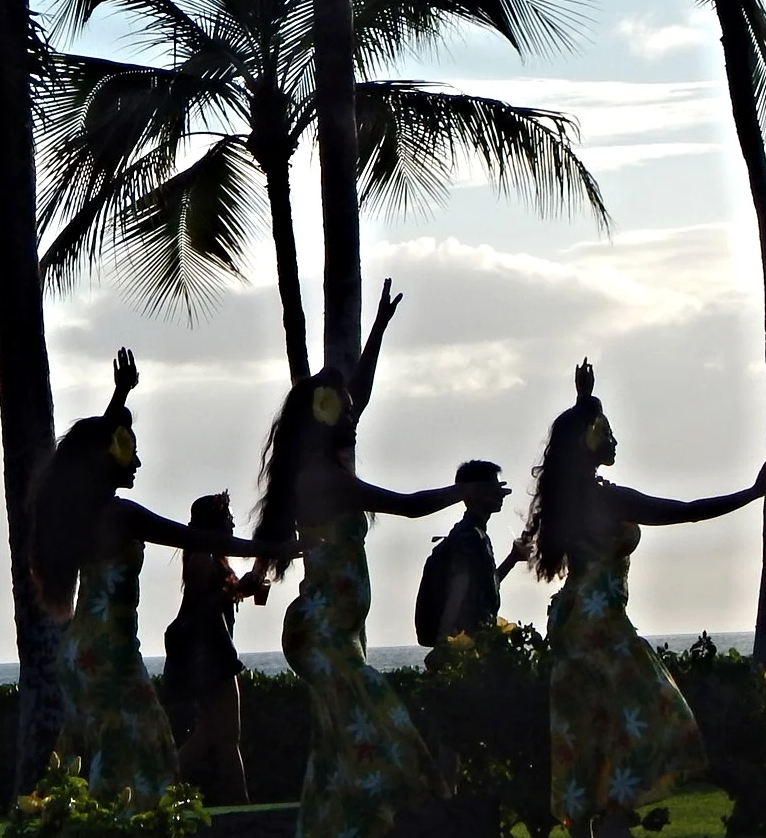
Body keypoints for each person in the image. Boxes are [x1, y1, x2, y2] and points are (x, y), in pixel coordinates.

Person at [256, 282, 501, 838]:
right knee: (383, 734)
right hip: (324, 633)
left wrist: (378, 330)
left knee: (340, 747)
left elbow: (356, 394)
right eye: (343, 411)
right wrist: (462, 492)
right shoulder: (325, 480)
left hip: (334, 631)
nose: (353, 414)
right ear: (326, 420)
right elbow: (409, 506)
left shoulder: (325, 464)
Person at [528, 360, 766, 838]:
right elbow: (686, 512)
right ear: (591, 440)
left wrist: (584, 400)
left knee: (587, 725)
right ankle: (615, 818)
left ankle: (592, 822)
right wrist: (752, 493)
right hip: (601, 622)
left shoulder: (568, 496)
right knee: (649, 713)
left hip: (575, 617)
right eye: (606, 431)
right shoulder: (607, 498)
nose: (615, 439)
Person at [26, 350, 269, 810]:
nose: (138, 462)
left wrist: (120, 394)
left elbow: (92, 446)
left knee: (98, 750)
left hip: (80, 652)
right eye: (131, 453)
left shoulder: (81, 517)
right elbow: (196, 537)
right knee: (134, 752)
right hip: (110, 654)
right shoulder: (121, 516)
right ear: (111, 459)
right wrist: (272, 548)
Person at [162, 490, 268, 803]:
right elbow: (201, 607)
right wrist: (234, 591)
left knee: (210, 736)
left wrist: (246, 585)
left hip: (211, 655)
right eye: (228, 518)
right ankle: (240, 804)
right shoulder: (203, 558)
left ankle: (161, 789)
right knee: (226, 737)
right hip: (211, 656)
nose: (233, 524)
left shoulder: (211, 557)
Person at [416, 458, 530, 654]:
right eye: (494, 487)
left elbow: (483, 587)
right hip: (465, 646)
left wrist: (512, 558)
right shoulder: (469, 537)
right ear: (475, 492)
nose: (501, 493)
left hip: (470, 644)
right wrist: (445, 646)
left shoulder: (474, 534)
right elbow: (457, 592)